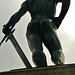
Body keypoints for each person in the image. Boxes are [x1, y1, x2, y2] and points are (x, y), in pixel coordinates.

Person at [2, 0, 70, 67]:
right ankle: (59, 63)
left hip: (33, 24)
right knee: (56, 49)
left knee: (36, 50)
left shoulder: (28, 1)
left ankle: (41, 70)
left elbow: (17, 15)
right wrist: (60, 18)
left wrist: (7, 26)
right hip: (47, 22)